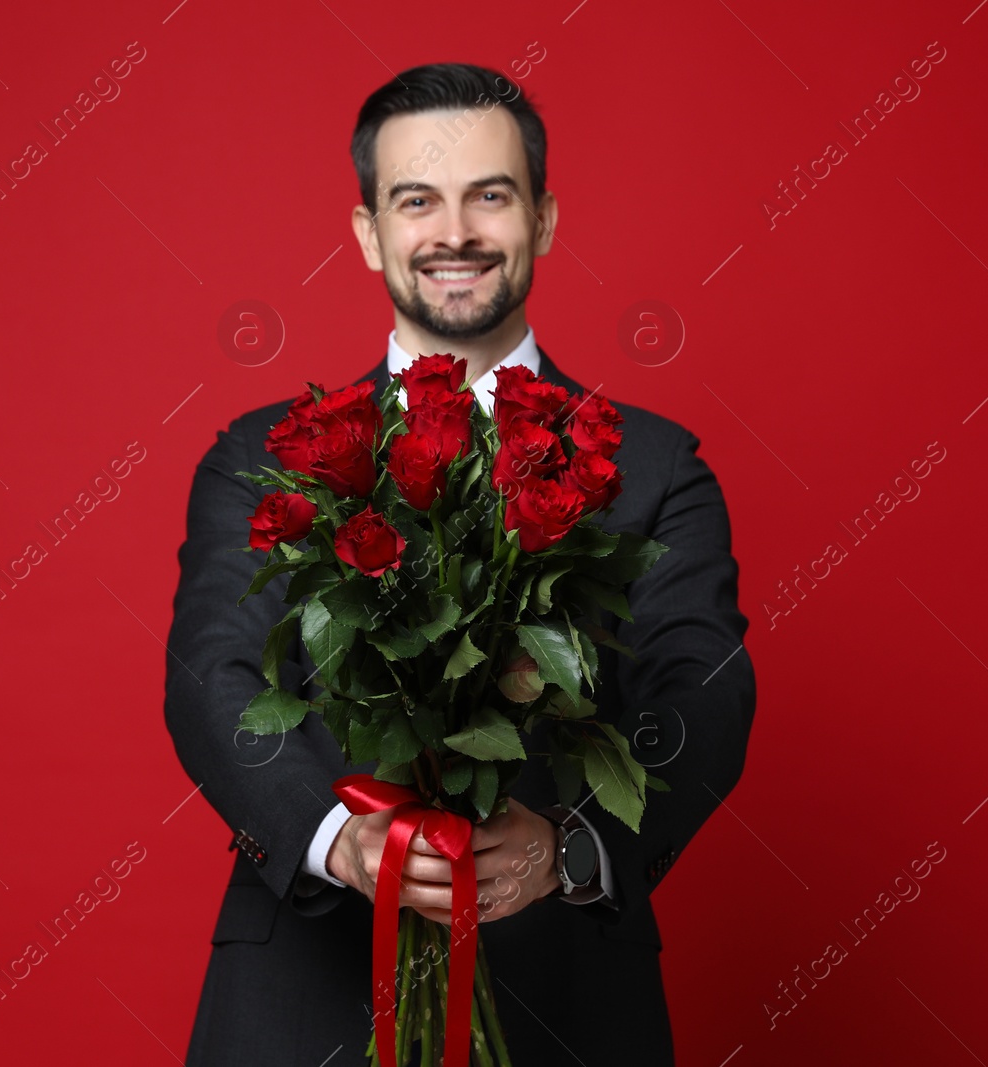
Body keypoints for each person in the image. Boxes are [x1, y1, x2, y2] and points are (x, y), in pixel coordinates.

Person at [164, 62, 756, 1064]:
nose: (455, 232)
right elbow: (212, 678)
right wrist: (336, 837)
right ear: (369, 233)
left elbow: (700, 693)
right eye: (416, 200)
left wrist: (569, 846)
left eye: (490, 194)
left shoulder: (656, 466)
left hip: (566, 996)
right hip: (302, 996)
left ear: (544, 217)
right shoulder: (264, 455)